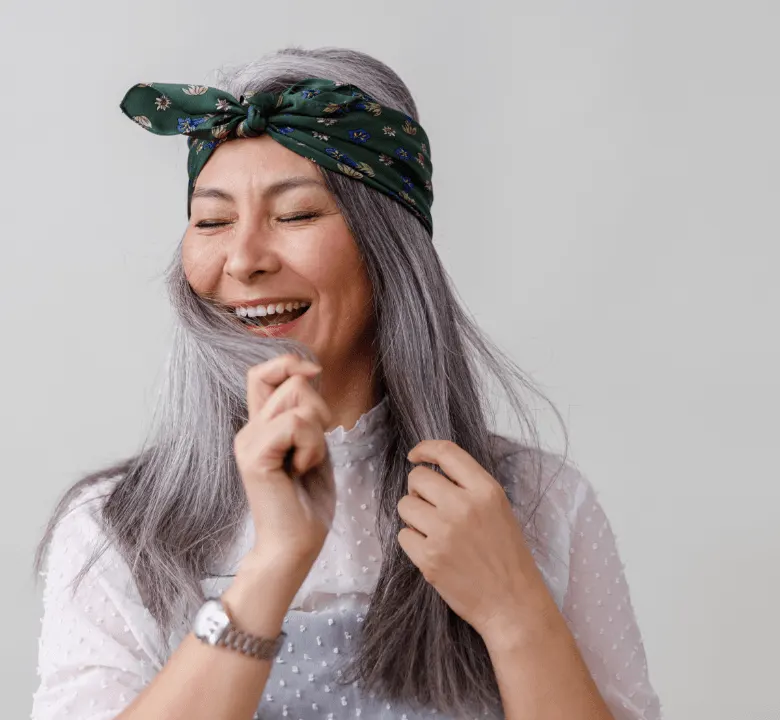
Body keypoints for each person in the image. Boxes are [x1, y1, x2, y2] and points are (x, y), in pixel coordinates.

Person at [30, 46, 663, 720]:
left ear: (387, 246)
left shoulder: (541, 503)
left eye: (296, 215)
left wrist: (516, 613)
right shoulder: (114, 527)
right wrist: (275, 562)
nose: (243, 260)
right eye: (212, 221)